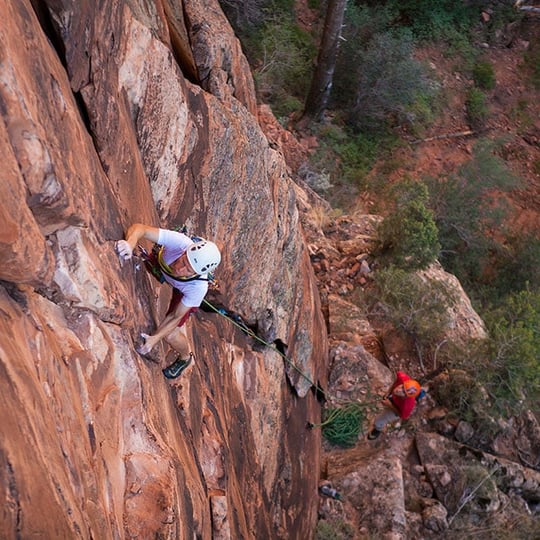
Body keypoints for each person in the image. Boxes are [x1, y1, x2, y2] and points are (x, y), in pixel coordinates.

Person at [116, 223, 221, 379]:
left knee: (170, 335)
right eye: (184, 261)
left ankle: (186, 357)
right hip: (162, 266)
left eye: (188, 269)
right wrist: (130, 244)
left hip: (183, 290)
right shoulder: (180, 243)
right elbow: (140, 229)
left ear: (198, 273)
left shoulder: (198, 287)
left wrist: (155, 339)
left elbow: (175, 316)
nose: (181, 268)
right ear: (186, 251)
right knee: (152, 261)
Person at [367, 371, 422, 440]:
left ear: (406, 397)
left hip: (397, 409)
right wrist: (388, 392)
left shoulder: (407, 405)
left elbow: (401, 415)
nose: (399, 390)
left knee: (379, 421)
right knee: (387, 400)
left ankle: (377, 429)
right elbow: (397, 381)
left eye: (403, 393)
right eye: (402, 387)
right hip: (394, 399)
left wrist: (390, 405)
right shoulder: (403, 378)